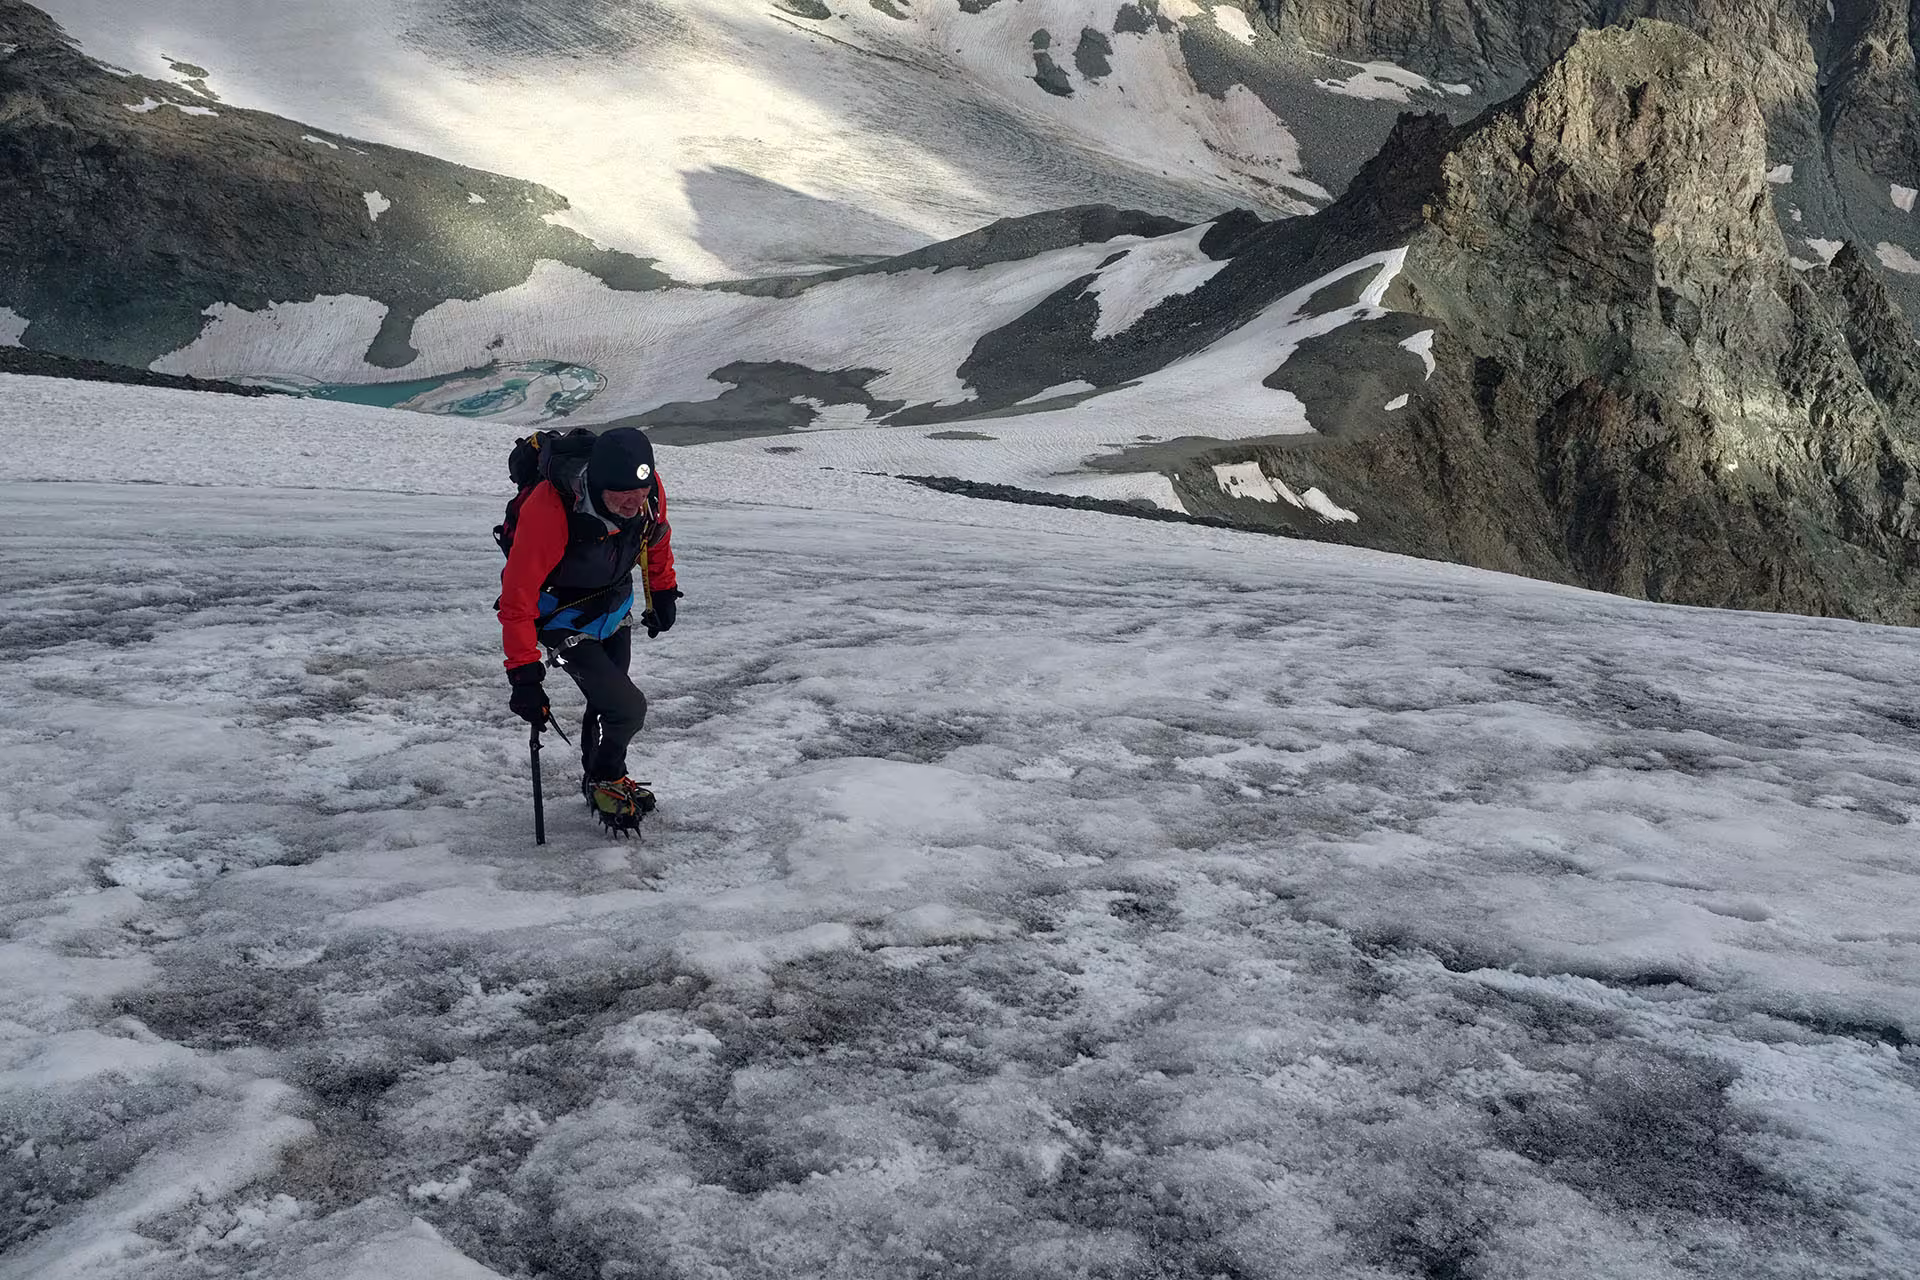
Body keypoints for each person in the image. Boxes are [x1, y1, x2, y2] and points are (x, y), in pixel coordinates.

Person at [497, 426, 680, 831]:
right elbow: (517, 597)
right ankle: (607, 776)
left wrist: (663, 592)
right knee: (626, 707)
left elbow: (656, 539)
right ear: (596, 484)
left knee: (606, 704)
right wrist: (523, 673)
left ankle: (602, 780)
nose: (634, 503)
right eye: (621, 495)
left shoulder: (646, 489)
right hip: (560, 616)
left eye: (640, 491)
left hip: (614, 608)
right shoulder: (550, 508)